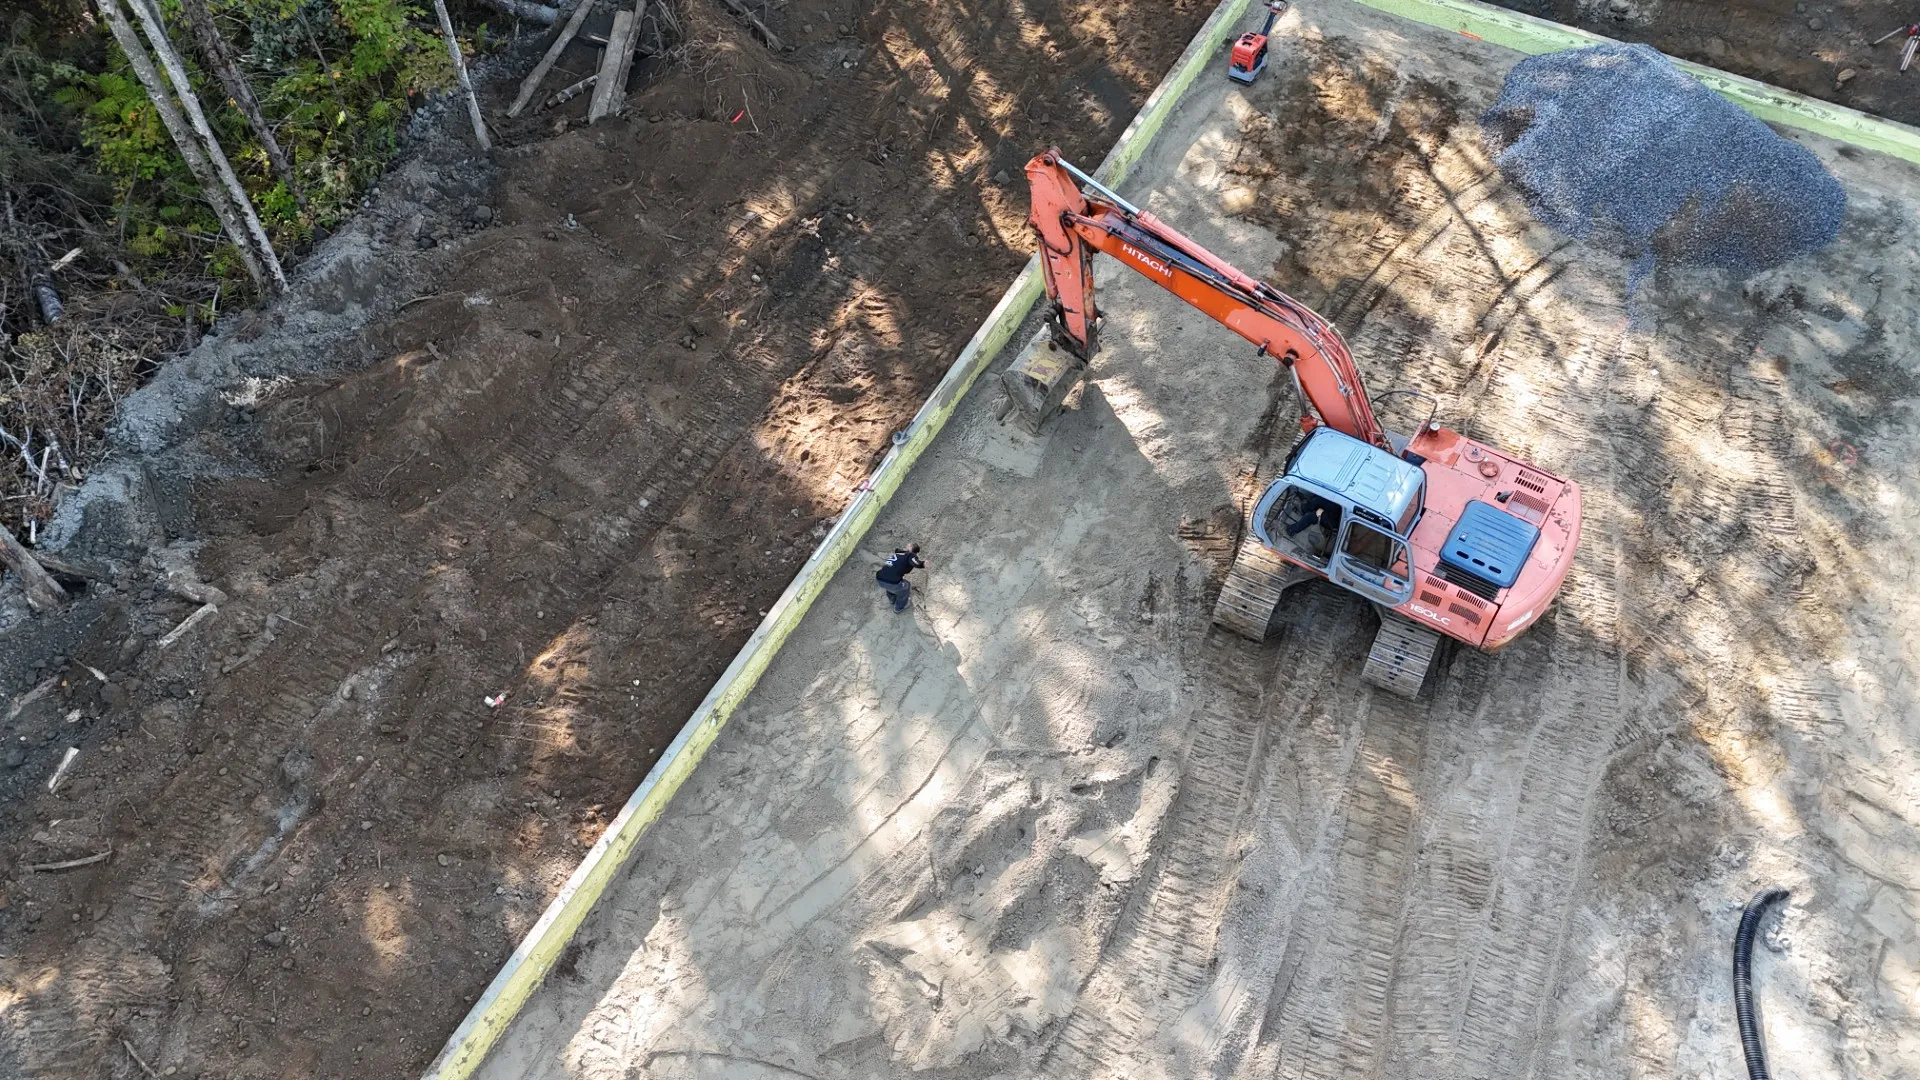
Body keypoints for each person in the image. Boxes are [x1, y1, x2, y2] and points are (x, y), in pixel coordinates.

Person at [875, 544, 926, 612]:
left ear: (911, 549)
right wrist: (923, 564)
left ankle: (892, 599)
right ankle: (899, 608)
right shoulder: (910, 555)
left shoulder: (902, 553)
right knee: (906, 587)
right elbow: (915, 563)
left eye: (910, 545)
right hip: (891, 583)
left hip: (880, 578)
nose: (908, 544)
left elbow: (898, 550)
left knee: (891, 584)